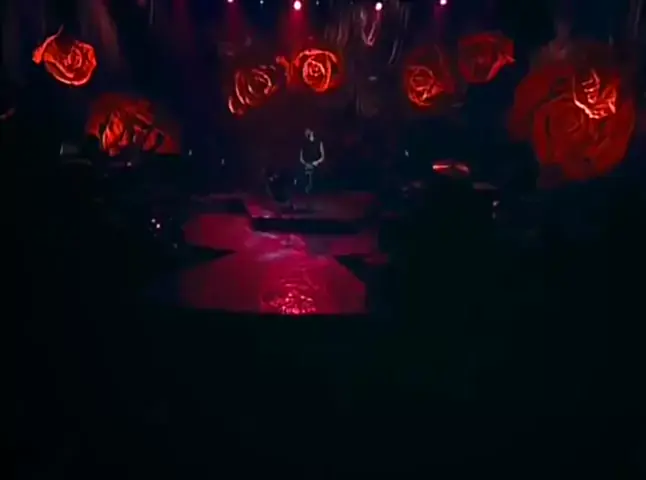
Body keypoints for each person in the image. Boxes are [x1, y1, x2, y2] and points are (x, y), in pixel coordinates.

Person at [299, 128, 325, 194]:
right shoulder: (304, 143)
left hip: (316, 164)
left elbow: (322, 156)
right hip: (307, 165)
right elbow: (301, 157)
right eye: (305, 132)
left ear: (312, 132)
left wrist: (317, 162)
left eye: (308, 132)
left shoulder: (319, 142)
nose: (306, 133)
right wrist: (305, 163)